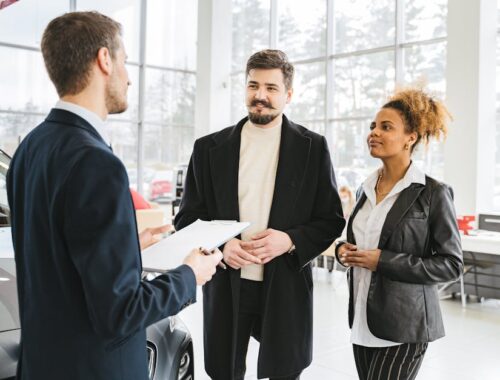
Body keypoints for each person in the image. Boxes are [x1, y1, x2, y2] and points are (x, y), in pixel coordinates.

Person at [6, 11, 222, 380]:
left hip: (43, 364)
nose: (128, 77)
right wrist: (191, 273)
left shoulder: (31, 148)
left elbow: (53, 258)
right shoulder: (95, 162)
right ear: (104, 59)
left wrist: (125, 248)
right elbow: (121, 313)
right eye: (124, 61)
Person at [175, 49, 345, 380]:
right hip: (227, 283)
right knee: (224, 371)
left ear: (288, 94)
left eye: (271, 88)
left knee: (285, 370)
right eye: (253, 86)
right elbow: (186, 219)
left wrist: (290, 240)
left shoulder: (313, 147)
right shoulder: (209, 148)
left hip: (284, 283)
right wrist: (222, 246)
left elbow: (331, 219)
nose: (260, 96)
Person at [335, 88, 463, 380]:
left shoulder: (433, 193)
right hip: (363, 319)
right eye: (372, 127)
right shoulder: (364, 189)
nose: (374, 133)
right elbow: (363, 243)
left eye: (386, 127)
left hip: (404, 326)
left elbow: (451, 265)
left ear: (411, 137)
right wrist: (345, 251)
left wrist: (383, 261)